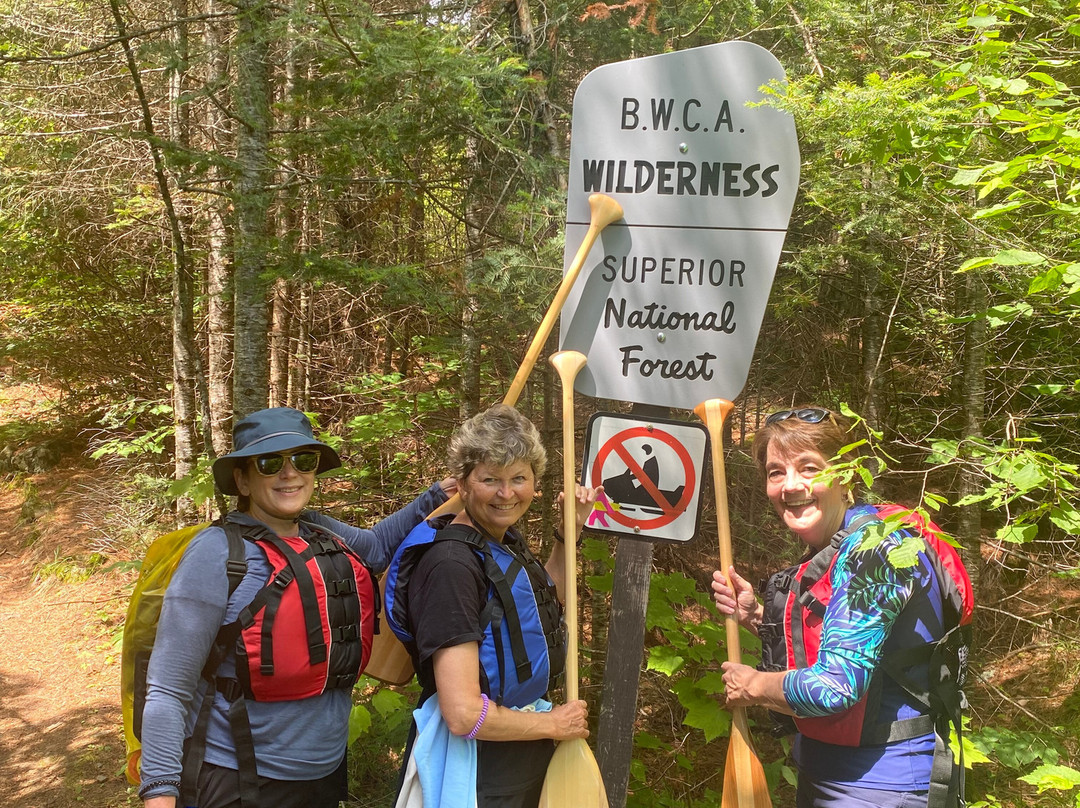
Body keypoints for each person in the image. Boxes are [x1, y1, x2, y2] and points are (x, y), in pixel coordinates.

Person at [138, 406, 455, 808]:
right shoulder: (216, 554)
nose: (290, 473)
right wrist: (160, 791)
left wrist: (438, 496)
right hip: (236, 777)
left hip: (322, 773)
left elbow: (376, 548)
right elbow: (168, 687)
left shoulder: (321, 531)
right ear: (243, 479)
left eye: (303, 460)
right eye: (270, 463)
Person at [710, 406, 963, 808]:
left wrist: (753, 685)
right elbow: (852, 648)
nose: (790, 485)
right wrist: (756, 616)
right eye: (776, 472)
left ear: (847, 475)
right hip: (833, 778)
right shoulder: (847, 544)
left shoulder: (877, 551)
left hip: (880, 787)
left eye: (809, 468)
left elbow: (835, 687)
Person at [387, 404, 601, 808]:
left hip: (519, 750)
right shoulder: (451, 567)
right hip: (480, 766)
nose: (507, 493)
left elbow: (542, 604)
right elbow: (464, 713)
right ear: (463, 485)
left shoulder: (501, 540)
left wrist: (566, 530)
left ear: (534, 482)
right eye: (491, 479)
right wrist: (551, 723)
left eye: (518, 478)